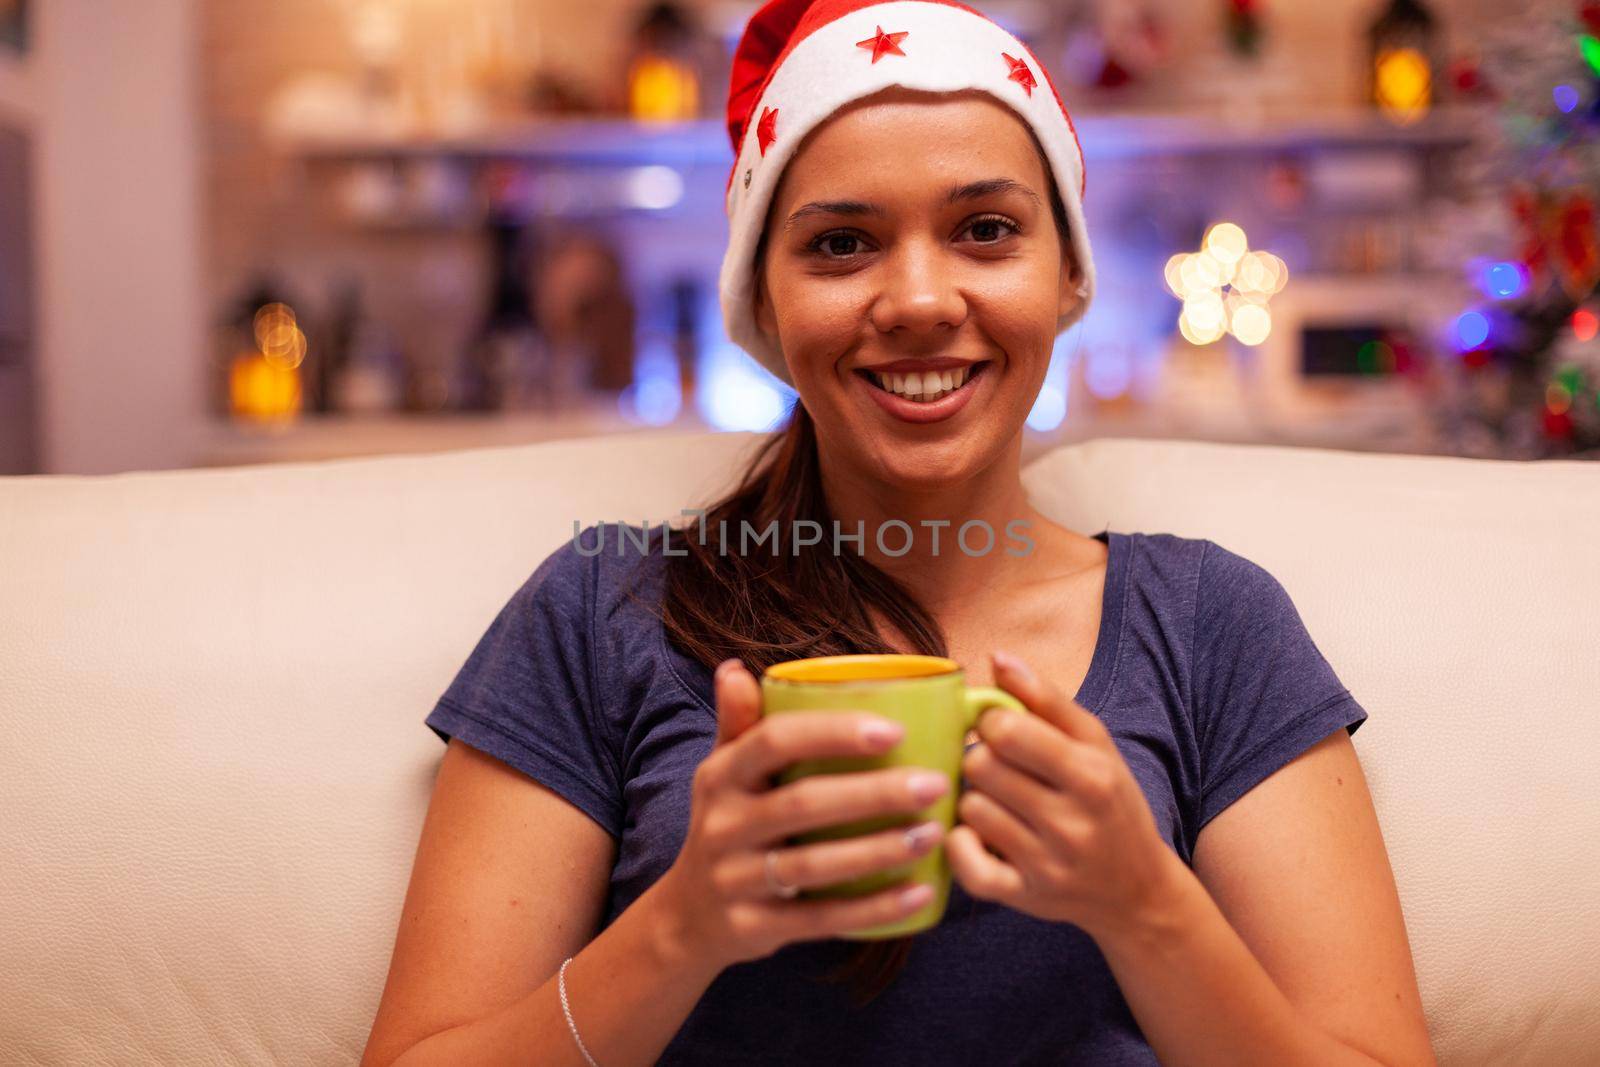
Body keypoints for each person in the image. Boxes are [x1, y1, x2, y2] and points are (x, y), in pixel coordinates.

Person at [361, 1, 1435, 1064]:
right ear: (765, 307)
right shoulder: (604, 610)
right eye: (841, 243)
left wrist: (1149, 906)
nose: (919, 299)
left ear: (1067, 275)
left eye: (985, 230)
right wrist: (681, 924)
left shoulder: (1210, 625)